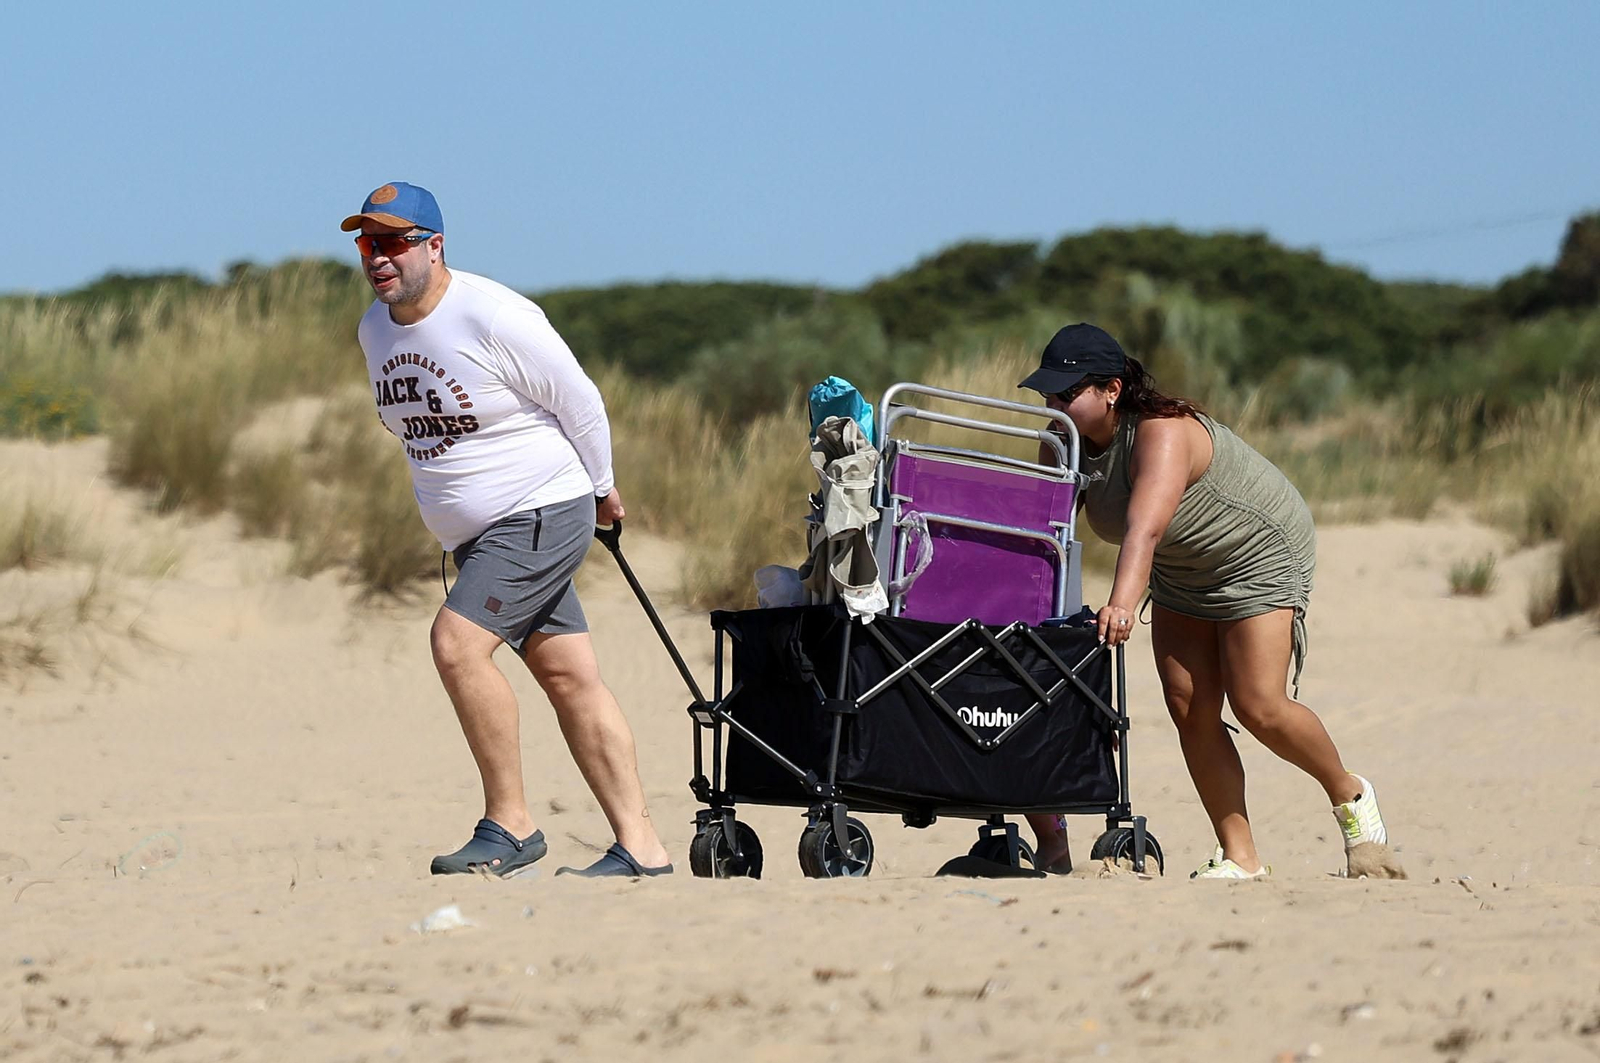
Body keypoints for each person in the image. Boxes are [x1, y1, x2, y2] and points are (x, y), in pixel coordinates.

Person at [341, 181, 672, 879]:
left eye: (394, 242)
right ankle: (643, 845)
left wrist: (603, 486)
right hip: (479, 536)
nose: (378, 257)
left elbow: (577, 399)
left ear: (434, 245)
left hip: (539, 508)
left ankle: (511, 825)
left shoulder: (492, 314)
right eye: (368, 243)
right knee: (571, 677)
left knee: (456, 645)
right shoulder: (374, 330)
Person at [1018, 323, 1392, 879]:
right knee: (1189, 707)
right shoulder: (1061, 442)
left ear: (1112, 391)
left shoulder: (1161, 432)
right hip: (1182, 567)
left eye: (1067, 393)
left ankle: (1351, 795)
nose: (1055, 404)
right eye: (1048, 393)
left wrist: (1121, 604)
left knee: (1258, 704)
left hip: (1256, 551)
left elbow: (1143, 529)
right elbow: (1039, 529)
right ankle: (1241, 857)